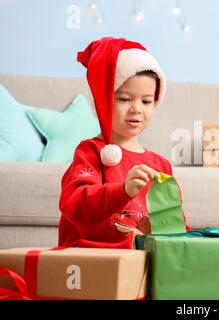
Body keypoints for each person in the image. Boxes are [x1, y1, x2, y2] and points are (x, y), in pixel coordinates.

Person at [58, 37, 190, 249]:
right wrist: (123, 191)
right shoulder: (90, 151)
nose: (137, 109)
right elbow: (76, 206)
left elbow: (175, 229)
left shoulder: (160, 165)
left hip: (144, 266)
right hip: (96, 262)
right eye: (124, 99)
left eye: (146, 101)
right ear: (104, 100)